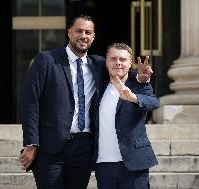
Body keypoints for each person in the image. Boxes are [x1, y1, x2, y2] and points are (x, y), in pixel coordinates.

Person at [19, 15, 152, 189]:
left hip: (83, 148)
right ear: (69, 32)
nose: (83, 36)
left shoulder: (98, 64)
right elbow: (30, 103)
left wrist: (141, 78)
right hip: (50, 147)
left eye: (88, 32)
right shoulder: (46, 60)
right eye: (79, 31)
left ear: (93, 36)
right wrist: (31, 143)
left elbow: (119, 69)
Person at [93, 43, 160, 189]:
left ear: (130, 63)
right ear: (106, 62)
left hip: (134, 163)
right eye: (113, 59)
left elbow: (154, 102)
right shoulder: (99, 86)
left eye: (123, 59)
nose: (118, 63)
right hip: (103, 165)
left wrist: (134, 97)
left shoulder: (139, 85)